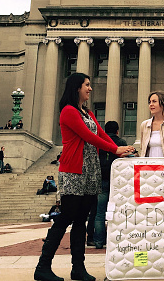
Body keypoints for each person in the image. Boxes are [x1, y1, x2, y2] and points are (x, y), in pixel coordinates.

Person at [34, 72, 134, 281]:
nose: (90, 88)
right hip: (73, 170)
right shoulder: (69, 112)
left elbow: (100, 133)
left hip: (90, 170)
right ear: (76, 88)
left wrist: (119, 147)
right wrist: (114, 150)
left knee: (81, 220)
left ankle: (78, 268)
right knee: (66, 217)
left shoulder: (87, 113)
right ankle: (42, 267)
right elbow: (88, 136)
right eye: (86, 85)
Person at [88, 120, 128, 249]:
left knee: (100, 213)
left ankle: (99, 241)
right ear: (117, 130)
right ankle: (118, 240)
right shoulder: (121, 143)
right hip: (117, 181)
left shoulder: (99, 143)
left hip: (101, 179)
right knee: (119, 211)